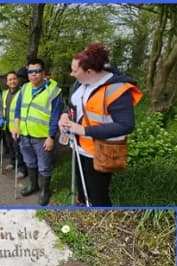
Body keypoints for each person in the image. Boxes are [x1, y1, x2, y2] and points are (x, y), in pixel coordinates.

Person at [57, 42, 142, 207]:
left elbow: (126, 125)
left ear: (89, 72)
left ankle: (99, 217)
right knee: (82, 189)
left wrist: (84, 130)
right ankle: (81, 204)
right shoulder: (79, 84)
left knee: (98, 195)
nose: (71, 74)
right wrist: (64, 116)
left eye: (75, 70)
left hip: (100, 151)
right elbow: (73, 107)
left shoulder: (117, 89)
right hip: (78, 146)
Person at [13, 57, 61, 203]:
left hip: (42, 137)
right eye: (30, 71)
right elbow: (18, 109)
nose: (34, 74)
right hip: (25, 134)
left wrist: (51, 137)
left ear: (44, 72)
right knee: (29, 162)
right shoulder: (25, 88)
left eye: (37, 71)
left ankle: (45, 190)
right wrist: (16, 126)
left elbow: (55, 116)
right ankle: (33, 185)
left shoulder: (53, 90)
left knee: (44, 167)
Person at [1, 70, 27, 178]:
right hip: (6, 126)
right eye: (10, 79)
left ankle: (22, 168)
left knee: (18, 148)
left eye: (14, 79)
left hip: (17, 127)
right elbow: (3, 108)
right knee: (11, 146)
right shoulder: (4, 93)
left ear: (18, 80)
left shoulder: (23, 93)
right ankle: (12, 162)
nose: (12, 81)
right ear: (7, 82)